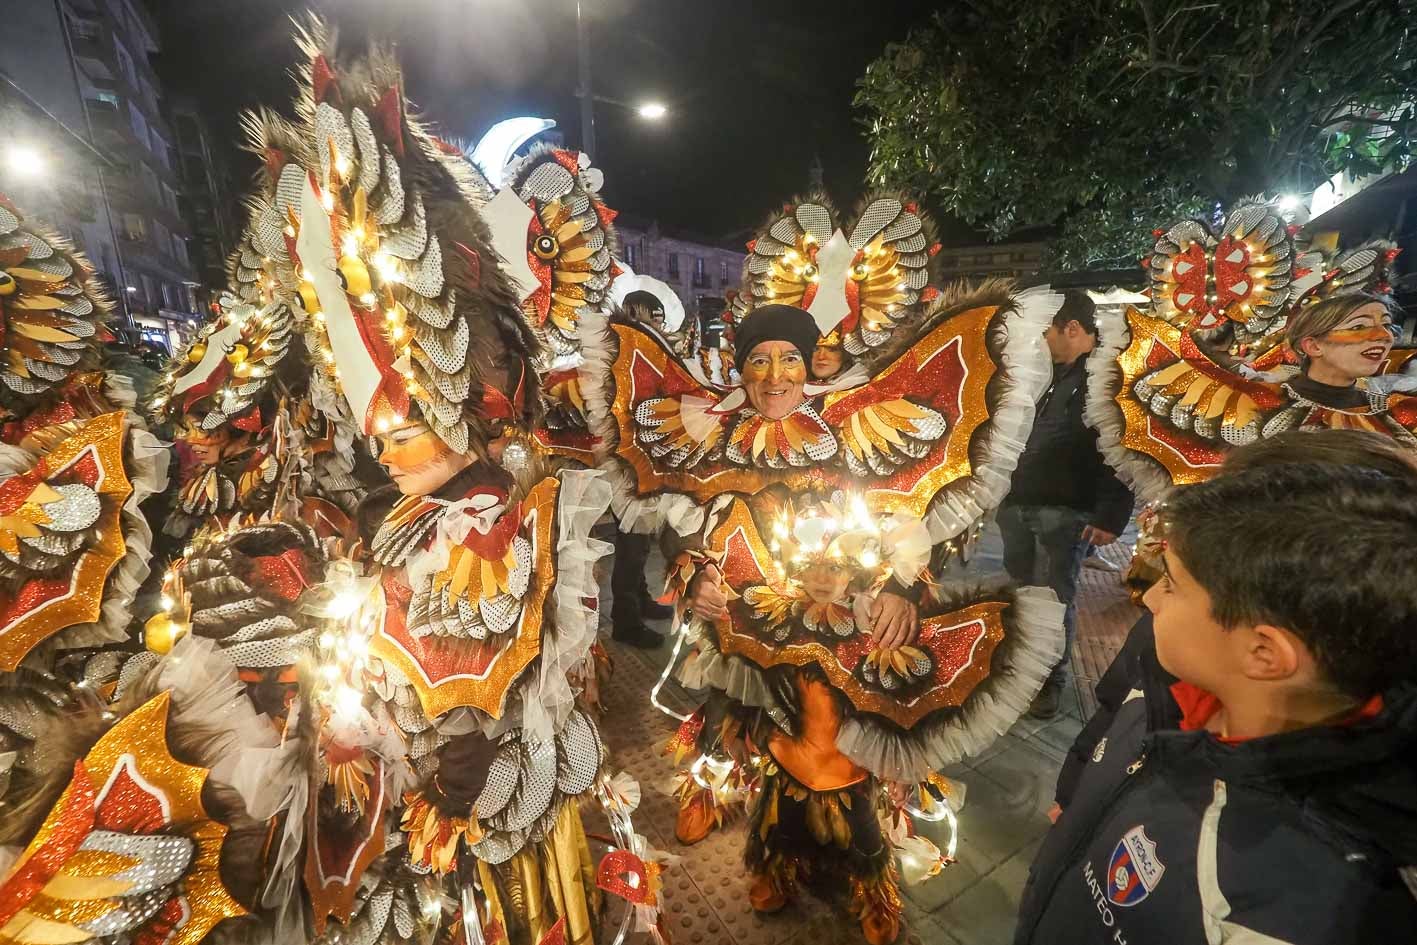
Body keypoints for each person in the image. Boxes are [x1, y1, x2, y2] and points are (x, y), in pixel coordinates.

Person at [1015, 450, 1417, 944]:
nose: (1150, 598)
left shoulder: (1284, 914)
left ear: (1264, 652)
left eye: (1174, 584)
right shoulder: (1173, 692)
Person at [998, 289, 1134, 719]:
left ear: (1071, 329)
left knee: (1055, 596)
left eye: (1045, 333)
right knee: (1022, 591)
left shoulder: (1110, 375)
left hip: (1067, 507)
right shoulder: (1048, 371)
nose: (1040, 342)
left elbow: (1123, 446)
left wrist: (1112, 513)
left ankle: (1049, 682)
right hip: (1019, 501)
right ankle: (1022, 668)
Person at [610, 289, 676, 647]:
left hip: (651, 458)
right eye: (650, 316)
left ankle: (641, 601)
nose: (656, 324)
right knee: (631, 544)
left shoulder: (657, 352)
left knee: (641, 540)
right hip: (628, 463)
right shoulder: (621, 353)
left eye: (659, 317)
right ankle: (625, 619)